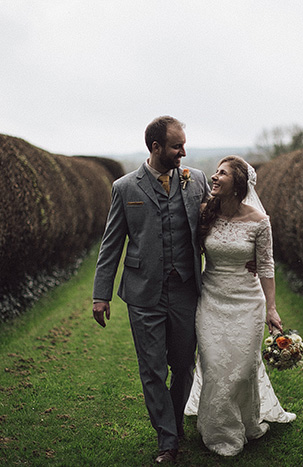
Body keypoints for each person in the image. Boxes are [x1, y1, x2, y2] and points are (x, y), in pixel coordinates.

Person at [91, 116, 211, 464]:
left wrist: (245, 255)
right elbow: (111, 245)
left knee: (183, 365)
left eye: (184, 144)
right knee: (153, 368)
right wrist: (101, 295)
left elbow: (216, 224)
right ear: (156, 147)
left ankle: (174, 422)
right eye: (177, 146)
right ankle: (167, 440)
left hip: (186, 289)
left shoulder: (196, 181)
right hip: (144, 293)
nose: (183, 152)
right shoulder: (125, 188)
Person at [184, 155, 296, 457]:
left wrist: (272, 309)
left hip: (248, 302)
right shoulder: (205, 212)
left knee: (242, 368)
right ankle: (218, 432)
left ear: (238, 183)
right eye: (215, 171)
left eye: (223, 173)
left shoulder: (260, 222)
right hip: (211, 298)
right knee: (214, 365)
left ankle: (247, 421)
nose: (215, 177)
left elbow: (266, 265)